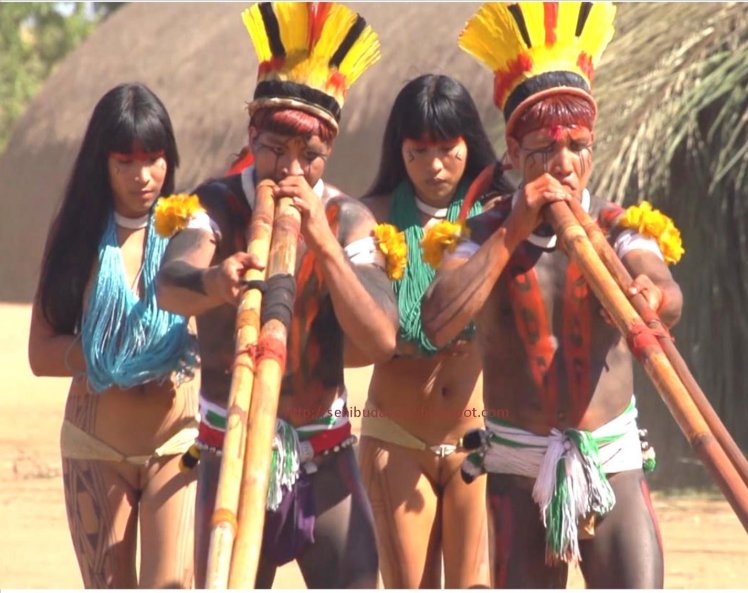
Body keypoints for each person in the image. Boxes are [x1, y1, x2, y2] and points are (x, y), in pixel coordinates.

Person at [422, 2, 684, 588]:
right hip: (519, 462)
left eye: (577, 146)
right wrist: (514, 229)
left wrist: (649, 295)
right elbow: (436, 321)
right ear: (514, 155)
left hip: (612, 455)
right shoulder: (482, 233)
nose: (563, 164)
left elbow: (666, 291)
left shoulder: (621, 226)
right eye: (543, 148)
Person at [154, 2, 396, 588]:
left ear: (328, 153)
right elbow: (168, 286)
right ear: (251, 136)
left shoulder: (348, 220)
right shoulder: (215, 206)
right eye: (274, 149)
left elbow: (381, 339)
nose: (289, 169)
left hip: (325, 453)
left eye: (309, 156)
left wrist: (323, 242)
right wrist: (215, 282)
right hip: (230, 452)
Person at [28, 82, 199, 588]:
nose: (142, 176)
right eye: (125, 161)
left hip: (177, 443)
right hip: (95, 447)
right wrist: (110, 356)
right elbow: (41, 354)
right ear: (101, 162)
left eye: (153, 158)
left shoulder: (194, 228)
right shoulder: (75, 235)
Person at [357, 74, 510, 588]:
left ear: (471, 142)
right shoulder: (370, 219)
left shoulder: (501, 217)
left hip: (480, 437)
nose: (435, 165)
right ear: (398, 150)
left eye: (447, 149)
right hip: (395, 436)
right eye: (418, 152)